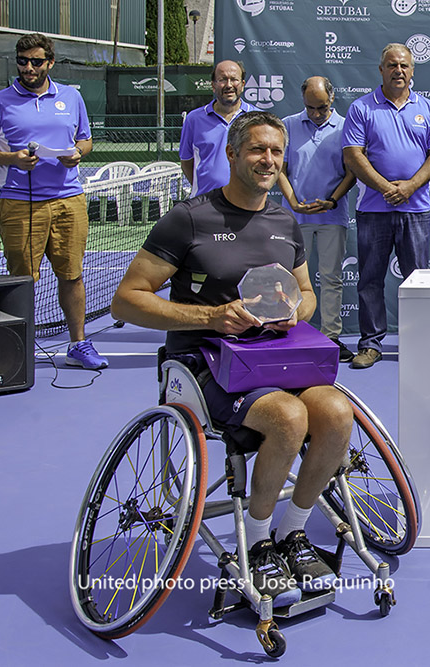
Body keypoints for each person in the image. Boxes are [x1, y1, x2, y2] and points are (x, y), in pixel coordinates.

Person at [112, 111, 351, 600]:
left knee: (337, 412)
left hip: (277, 358)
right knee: (287, 417)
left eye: (276, 151)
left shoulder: (285, 220)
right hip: (204, 364)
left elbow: (305, 294)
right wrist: (211, 318)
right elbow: (127, 299)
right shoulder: (190, 218)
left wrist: (293, 313)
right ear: (232, 154)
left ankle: (293, 531)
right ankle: (259, 545)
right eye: (257, 150)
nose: (267, 160)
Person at [0, 33, 106, 369]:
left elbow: (85, 139)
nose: (29, 68)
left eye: (36, 62)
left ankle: (79, 344)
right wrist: (11, 159)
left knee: (72, 275)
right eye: (23, 61)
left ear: (50, 62)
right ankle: (18, 347)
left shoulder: (70, 97)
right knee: (21, 281)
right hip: (19, 203)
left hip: (69, 200)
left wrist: (78, 153)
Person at [342, 43, 430, 369]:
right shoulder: (362, 108)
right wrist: (388, 188)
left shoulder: (428, 108)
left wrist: (411, 186)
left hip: (415, 209)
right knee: (370, 280)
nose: (398, 70)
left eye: (404, 65)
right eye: (391, 65)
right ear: (381, 70)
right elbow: (353, 156)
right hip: (374, 209)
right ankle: (371, 345)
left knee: (416, 281)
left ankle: (418, 344)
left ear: (412, 71)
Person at [279, 76, 356, 362]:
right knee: (292, 281)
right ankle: (294, 334)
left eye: (321, 108)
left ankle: (331, 337)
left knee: (331, 278)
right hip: (295, 218)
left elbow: (352, 171)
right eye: (310, 108)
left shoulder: (347, 124)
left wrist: (332, 200)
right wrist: (294, 202)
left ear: (331, 100)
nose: (315, 114)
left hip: (332, 215)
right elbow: (281, 169)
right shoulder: (288, 124)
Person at [180, 60, 255, 197]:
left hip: (246, 202)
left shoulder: (257, 118)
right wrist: (204, 188)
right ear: (213, 86)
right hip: (205, 203)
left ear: (243, 85)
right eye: (222, 80)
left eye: (234, 79)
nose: (229, 85)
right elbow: (186, 162)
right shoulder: (194, 119)